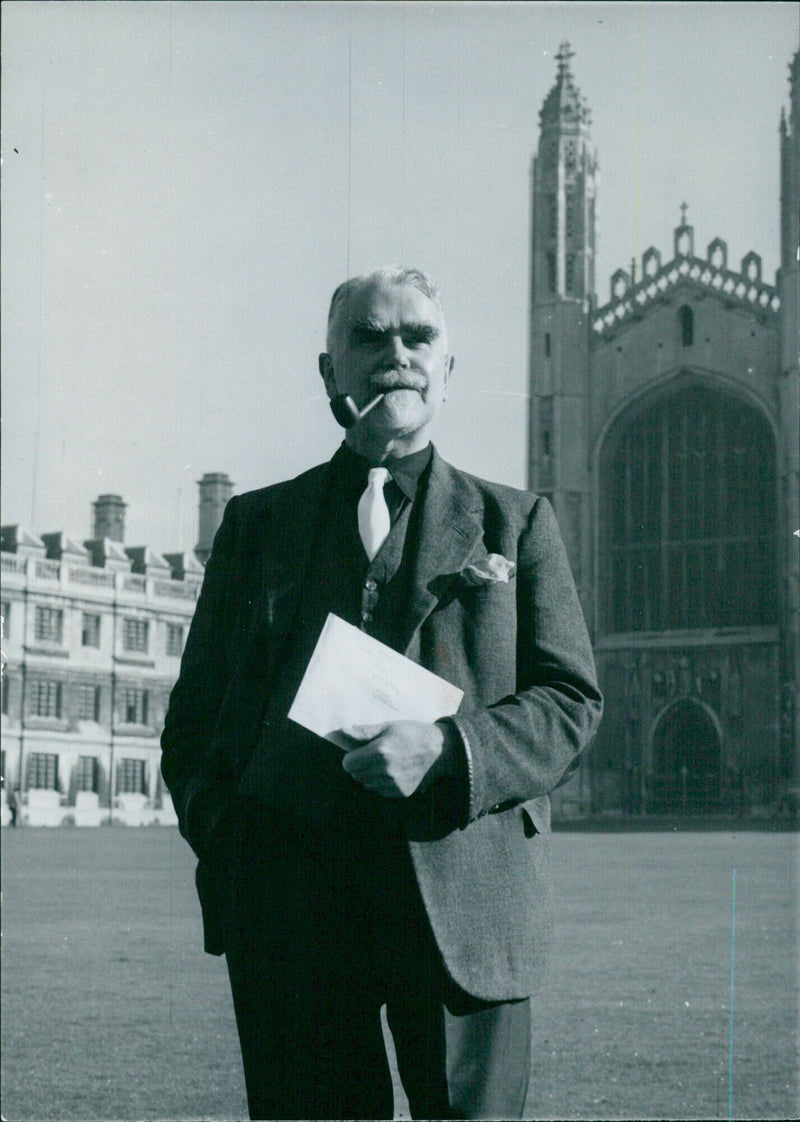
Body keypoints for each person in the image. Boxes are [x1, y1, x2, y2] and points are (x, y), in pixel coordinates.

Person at [161, 266, 602, 1120]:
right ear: (330, 370)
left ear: (447, 369)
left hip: (464, 912)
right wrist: (233, 848)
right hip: (291, 917)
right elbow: (193, 727)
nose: (394, 356)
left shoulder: (518, 522)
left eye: (418, 338)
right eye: (368, 338)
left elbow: (571, 700)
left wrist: (453, 749)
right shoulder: (254, 528)